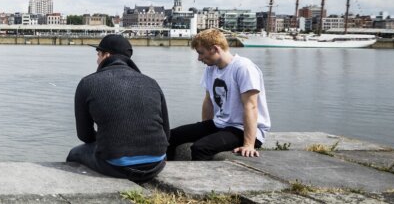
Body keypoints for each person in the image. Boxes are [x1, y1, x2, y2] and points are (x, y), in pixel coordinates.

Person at [67, 34, 169, 183]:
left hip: (117, 166)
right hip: (157, 163)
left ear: (107, 55)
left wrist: (109, 138)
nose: (97, 60)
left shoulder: (87, 83)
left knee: (74, 153)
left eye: (98, 54)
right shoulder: (152, 82)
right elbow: (166, 133)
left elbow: (85, 136)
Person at [167, 28, 271, 161]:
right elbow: (208, 100)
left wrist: (249, 145)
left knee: (201, 148)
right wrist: (204, 128)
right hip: (220, 124)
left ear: (215, 49)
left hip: (241, 129)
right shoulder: (211, 69)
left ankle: (201, 175)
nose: (199, 58)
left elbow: (251, 106)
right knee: (169, 136)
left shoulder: (243, 68)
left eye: (201, 53)